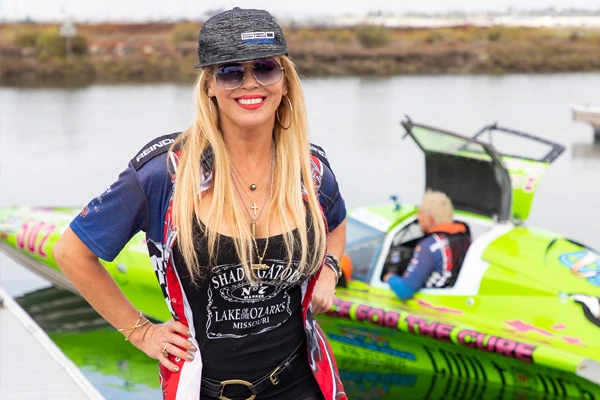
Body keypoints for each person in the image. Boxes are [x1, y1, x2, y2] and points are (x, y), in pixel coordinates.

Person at [53, 8, 347, 400]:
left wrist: (328, 269)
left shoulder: (310, 171)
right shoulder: (165, 175)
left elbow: (337, 222)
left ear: (285, 81)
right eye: (229, 71)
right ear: (209, 85)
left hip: (301, 382)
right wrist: (140, 331)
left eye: (265, 68)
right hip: (204, 390)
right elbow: (72, 252)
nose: (250, 84)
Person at [383, 190, 471, 301]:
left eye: (420, 213)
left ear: (430, 219)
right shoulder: (464, 236)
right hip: (456, 298)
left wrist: (389, 277)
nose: (418, 218)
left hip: (433, 305)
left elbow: (404, 290)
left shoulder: (429, 246)